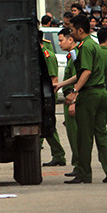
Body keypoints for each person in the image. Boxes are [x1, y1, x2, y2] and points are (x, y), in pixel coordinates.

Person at [53, 15, 107, 184]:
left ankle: (84, 173)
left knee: (84, 136)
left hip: (89, 96)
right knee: (102, 134)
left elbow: (86, 72)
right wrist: (62, 84)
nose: (71, 33)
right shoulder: (93, 45)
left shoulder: (85, 47)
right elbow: (80, 73)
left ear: (80, 30)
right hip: (101, 93)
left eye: (72, 30)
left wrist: (74, 92)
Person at [39, 30, 66, 167]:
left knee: (46, 125)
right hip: (41, 96)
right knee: (45, 125)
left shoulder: (47, 55)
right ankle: (57, 155)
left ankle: (58, 155)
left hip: (46, 96)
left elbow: (53, 79)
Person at [57, 28, 80, 177]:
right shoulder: (70, 55)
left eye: (61, 40)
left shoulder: (76, 54)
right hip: (69, 97)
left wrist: (75, 99)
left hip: (73, 98)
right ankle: (78, 166)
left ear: (70, 39)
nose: (59, 43)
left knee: (76, 136)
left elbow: (81, 77)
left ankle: (80, 166)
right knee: (72, 136)